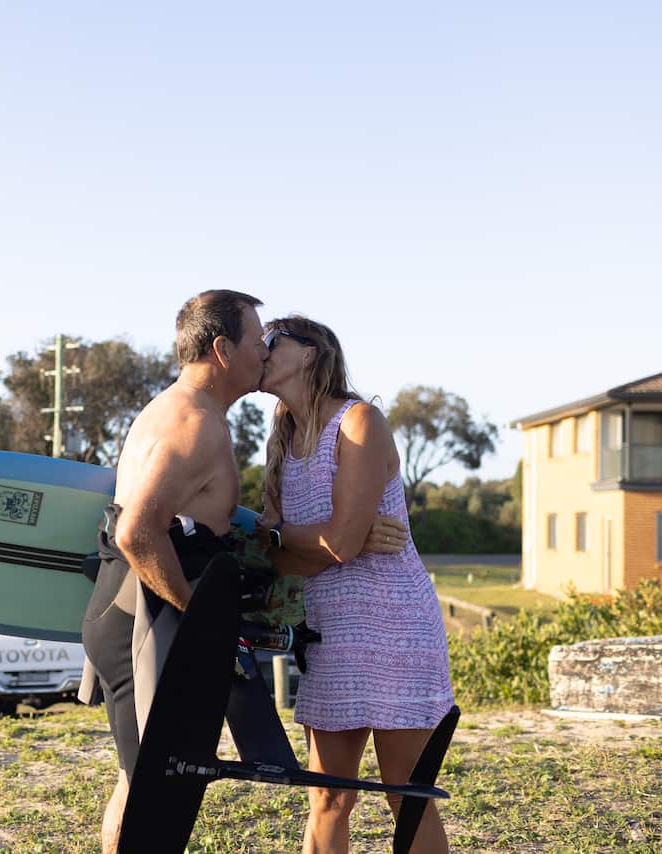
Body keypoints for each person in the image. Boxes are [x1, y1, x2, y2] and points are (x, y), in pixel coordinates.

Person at [79, 292, 413, 854]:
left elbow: (236, 528)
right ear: (223, 349)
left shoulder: (199, 414)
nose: (263, 348)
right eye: (259, 338)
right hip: (148, 612)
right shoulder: (193, 423)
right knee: (154, 799)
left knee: (137, 784)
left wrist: (339, 533)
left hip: (139, 606)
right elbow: (135, 532)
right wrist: (197, 615)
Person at [255, 314, 454, 854]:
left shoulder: (360, 421)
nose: (261, 349)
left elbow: (332, 544)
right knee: (327, 797)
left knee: (405, 793)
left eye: (273, 341)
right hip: (331, 636)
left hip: (395, 628)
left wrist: (286, 534)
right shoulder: (281, 440)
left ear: (311, 354)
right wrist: (302, 539)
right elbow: (283, 565)